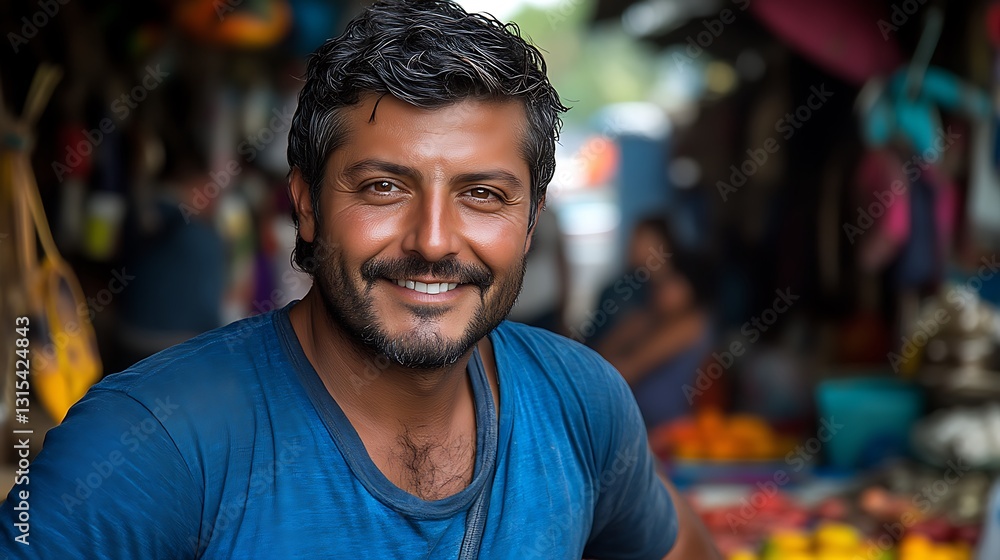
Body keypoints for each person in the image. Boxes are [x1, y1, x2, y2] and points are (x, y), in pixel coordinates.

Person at [0, 1, 719, 558]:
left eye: (483, 195)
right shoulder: (153, 443)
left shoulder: (580, 404)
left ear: (529, 222)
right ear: (307, 204)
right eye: (383, 187)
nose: (433, 241)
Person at [590, 217, 714, 428]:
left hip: (665, 429)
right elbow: (600, 351)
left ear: (690, 289)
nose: (661, 289)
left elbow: (630, 368)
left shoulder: (691, 324)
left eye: (671, 282)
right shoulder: (650, 316)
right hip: (640, 421)